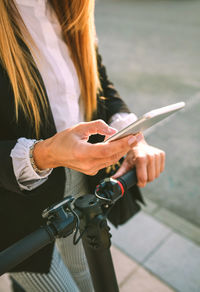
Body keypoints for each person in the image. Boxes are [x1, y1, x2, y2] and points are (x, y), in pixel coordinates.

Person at [0, 0, 165, 291]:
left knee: (89, 280)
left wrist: (132, 135)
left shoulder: (69, 8)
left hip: (77, 183)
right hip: (14, 212)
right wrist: (45, 154)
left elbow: (99, 81)